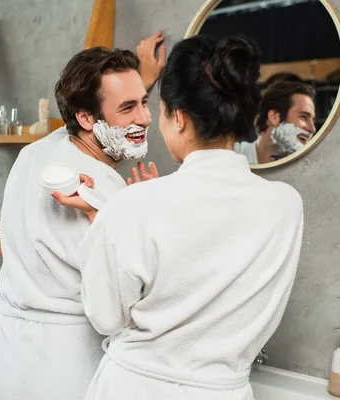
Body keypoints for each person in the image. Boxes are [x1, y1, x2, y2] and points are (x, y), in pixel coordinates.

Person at [55, 34, 304, 400]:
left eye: (156, 109)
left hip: (136, 388)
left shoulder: (135, 204)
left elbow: (106, 318)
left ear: (180, 117)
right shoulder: (286, 204)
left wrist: (113, 214)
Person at [0, 31, 166, 400]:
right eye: (128, 107)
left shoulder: (37, 152)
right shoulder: (104, 190)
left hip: (4, 351)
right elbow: (124, 306)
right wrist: (149, 214)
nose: (145, 118)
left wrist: (136, 79)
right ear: (85, 117)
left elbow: (101, 116)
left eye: (145, 102)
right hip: (66, 363)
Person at [234, 81, 316, 164]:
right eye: (303, 117)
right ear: (275, 117)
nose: (313, 129)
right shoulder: (232, 156)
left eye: (313, 120)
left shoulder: (306, 169)